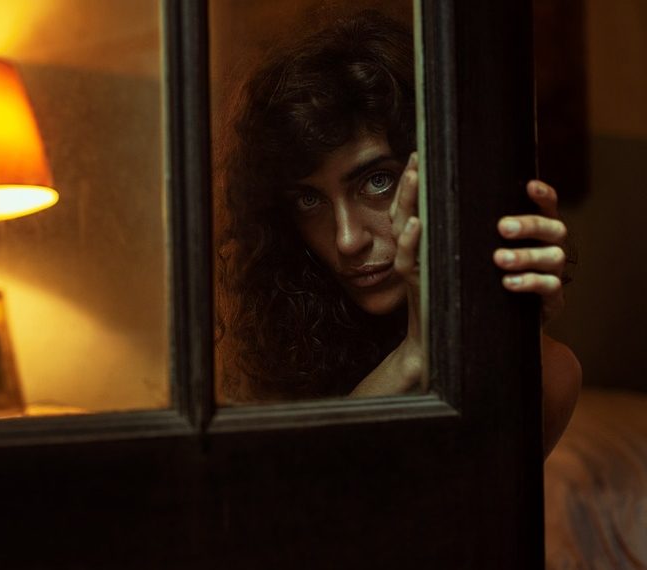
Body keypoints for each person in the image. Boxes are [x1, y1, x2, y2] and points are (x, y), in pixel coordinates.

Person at [214, 9, 581, 457]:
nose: (348, 241)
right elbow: (294, 503)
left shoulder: (554, 373)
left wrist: (504, 334)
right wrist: (414, 356)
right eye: (309, 200)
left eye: (376, 181)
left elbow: (468, 515)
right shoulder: (274, 350)